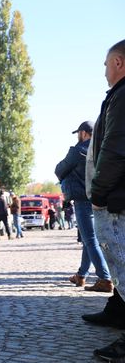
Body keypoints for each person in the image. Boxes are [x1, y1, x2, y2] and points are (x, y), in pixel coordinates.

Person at [81, 39, 125, 363]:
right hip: (115, 198)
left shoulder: (122, 96)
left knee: (122, 267)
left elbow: (114, 150)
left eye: (107, 64)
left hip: (115, 200)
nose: (105, 70)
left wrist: (98, 192)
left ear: (120, 63)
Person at [54, 120, 112, 291]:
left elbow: (59, 170)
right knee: (90, 239)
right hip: (100, 199)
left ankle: (105, 279)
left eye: (79, 133)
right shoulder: (103, 149)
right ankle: (81, 275)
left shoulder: (78, 150)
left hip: (82, 199)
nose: (79, 136)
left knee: (90, 240)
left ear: (84, 133)